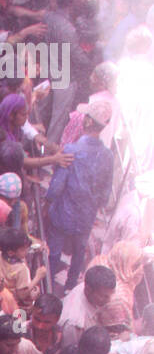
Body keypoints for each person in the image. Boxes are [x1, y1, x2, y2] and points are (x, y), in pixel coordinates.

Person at [45, 101, 114, 290]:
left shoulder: (71, 150)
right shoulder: (108, 156)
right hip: (86, 214)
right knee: (79, 251)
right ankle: (70, 285)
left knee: (54, 250)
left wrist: (48, 203)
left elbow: (56, 186)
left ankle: (48, 285)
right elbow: (105, 193)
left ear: (89, 122)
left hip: (63, 211)